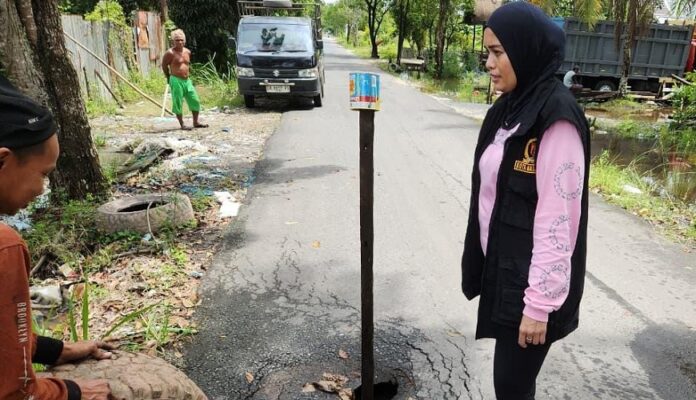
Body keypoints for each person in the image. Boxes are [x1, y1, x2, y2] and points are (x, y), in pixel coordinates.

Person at [460, 3, 590, 399]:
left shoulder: (556, 117)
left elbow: (559, 221)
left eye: (498, 52)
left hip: (533, 287)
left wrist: (538, 306)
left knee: (511, 386)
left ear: (525, 49)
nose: (488, 63)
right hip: (506, 271)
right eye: (487, 52)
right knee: (513, 386)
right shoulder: (509, 108)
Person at [0, 75, 115, 400]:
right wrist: (70, 392)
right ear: (2, 160)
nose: (42, 190)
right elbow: (16, 393)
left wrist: (55, 350)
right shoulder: (5, 246)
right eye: (44, 174)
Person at [162, 29, 208, 130]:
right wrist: (168, 77)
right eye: (177, 40)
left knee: (195, 100)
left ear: (185, 41)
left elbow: (187, 65)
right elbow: (164, 65)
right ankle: (182, 124)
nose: (179, 42)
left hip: (187, 80)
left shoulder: (187, 51)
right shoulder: (170, 53)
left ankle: (196, 122)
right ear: (173, 41)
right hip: (176, 80)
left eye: (181, 40)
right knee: (178, 102)